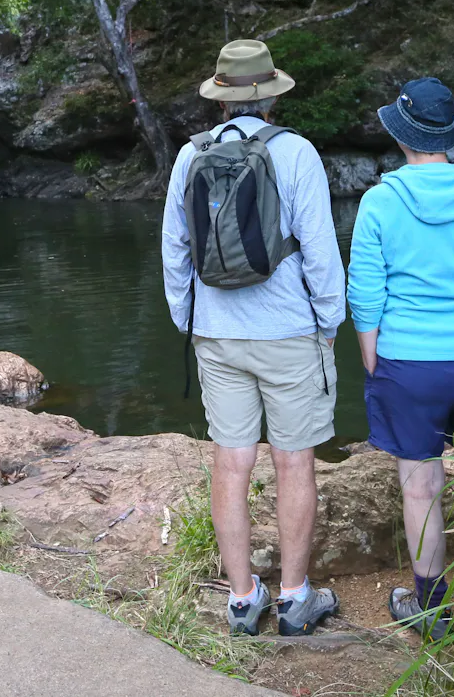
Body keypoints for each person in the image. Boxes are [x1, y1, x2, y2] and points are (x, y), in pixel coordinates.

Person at [161, 39, 346, 637]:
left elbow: (174, 252)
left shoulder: (190, 156)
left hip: (216, 332)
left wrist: (187, 320)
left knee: (230, 462)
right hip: (290, 330)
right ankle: (294, 598)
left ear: (220, 98)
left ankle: (242, 600)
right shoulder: (296, 153)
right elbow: (319, 250)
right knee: (295, 462)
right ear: (269, 94)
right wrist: (328, 320)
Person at [347, 77, 454, 639]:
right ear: (448, 134)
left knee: (420, 486)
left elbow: (366, 289)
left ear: (401, 136)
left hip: (409, 363)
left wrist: (373, 356)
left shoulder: (380, 201)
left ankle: (430, 607)